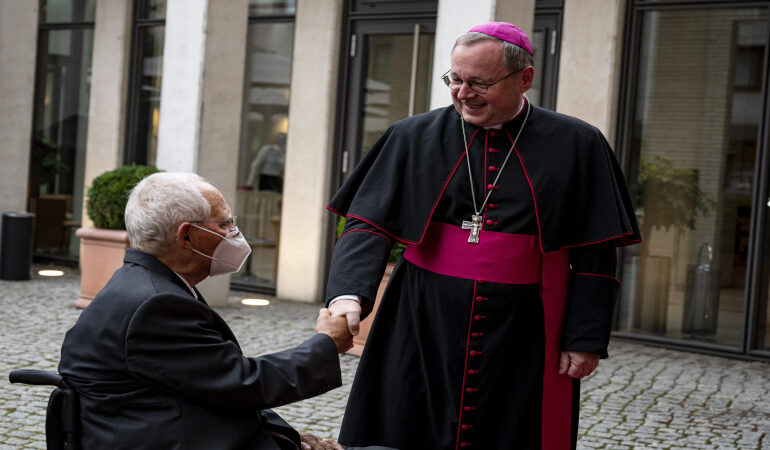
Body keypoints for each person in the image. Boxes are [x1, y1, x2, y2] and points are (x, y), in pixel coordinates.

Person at [325, 22, 642, 450]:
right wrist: (348, 296)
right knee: (404, 424)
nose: (463, 93)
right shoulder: (411, 136)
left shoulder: (578, 143)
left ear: (524, 78)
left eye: (480, 83)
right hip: (419, 316)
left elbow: (595, 251)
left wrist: (583, 337)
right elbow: (367, 222)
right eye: (455, 79)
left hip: (526, 325)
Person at [59, 172, 351, 450]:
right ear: (187, 236)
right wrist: (326, 344)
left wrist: (287, 436)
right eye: (225, 223)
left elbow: (208, 380)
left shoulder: (150, 284)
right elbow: (241, 382)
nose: (234, 232)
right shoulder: (156, 304)